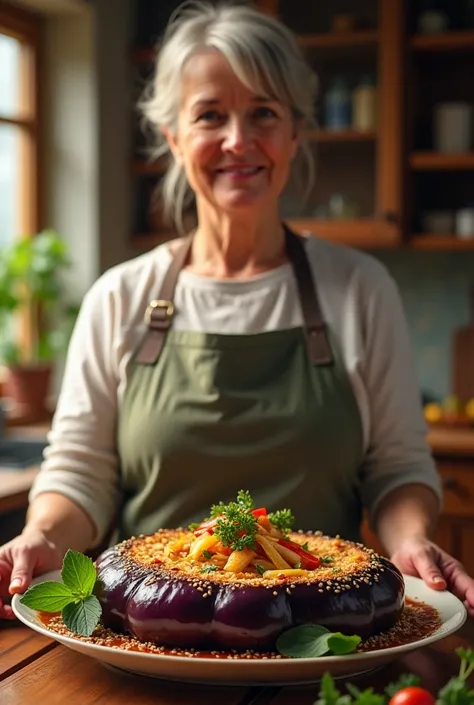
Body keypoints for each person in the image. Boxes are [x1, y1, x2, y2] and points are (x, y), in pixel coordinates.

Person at [1, 0, 473, 621]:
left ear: (295, 132)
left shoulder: (360, 288)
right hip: (147, 626)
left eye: (263, 114)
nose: (238, 140)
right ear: (173, 137)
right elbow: (80, 475)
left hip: (321, 632)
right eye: (210, 115)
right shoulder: (121, 296)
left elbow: (398, 467)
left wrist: (409, 539)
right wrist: (42, 537)